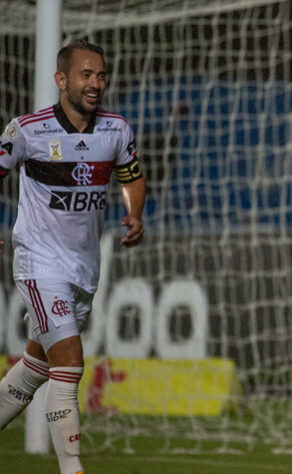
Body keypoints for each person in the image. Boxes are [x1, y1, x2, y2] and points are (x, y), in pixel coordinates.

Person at [0, 39, 145, 474]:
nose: (95, 83)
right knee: (70, 361)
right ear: (62, 79)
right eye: (86, 74)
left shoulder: (116, 129)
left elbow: (132, 176)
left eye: (101, 75)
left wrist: (133, 213)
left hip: (84, 267)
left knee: (35, 367)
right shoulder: (28, 130)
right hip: (39, 263)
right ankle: (73, 468)